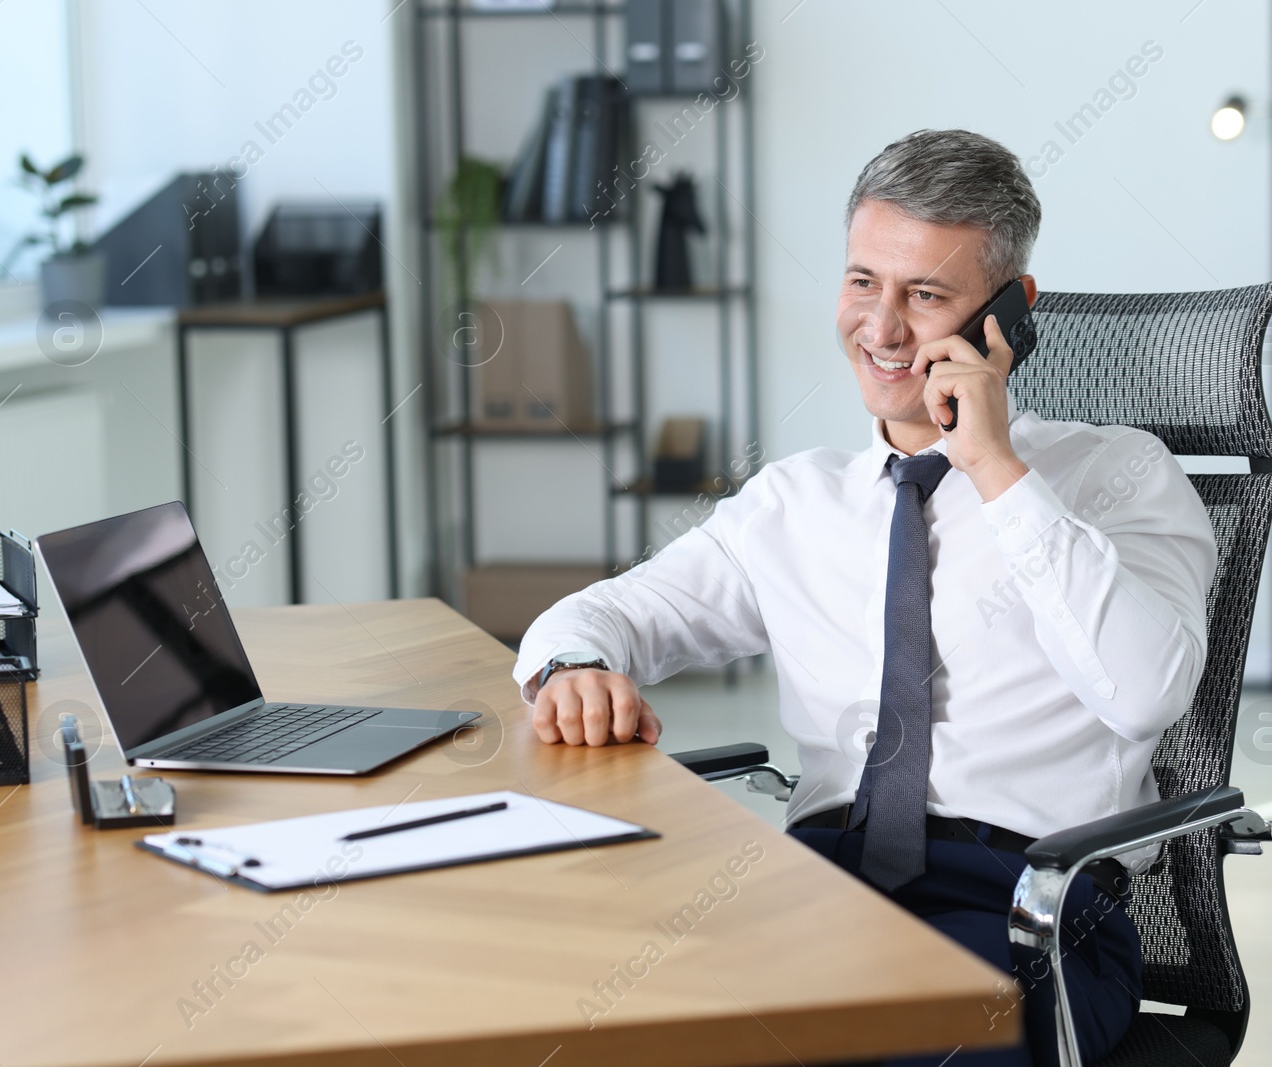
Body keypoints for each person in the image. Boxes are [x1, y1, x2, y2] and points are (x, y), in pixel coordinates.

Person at [511, 129, 1216, 1066]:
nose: (881, 329)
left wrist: (997, 469)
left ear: (1012, 311)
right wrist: (573, 667)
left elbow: (1146, 693)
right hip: (812, 895)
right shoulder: (797, 499)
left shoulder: (1118, 477)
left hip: (1031, 914)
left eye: (925, 295)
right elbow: (606, 614)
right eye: (861, 283)